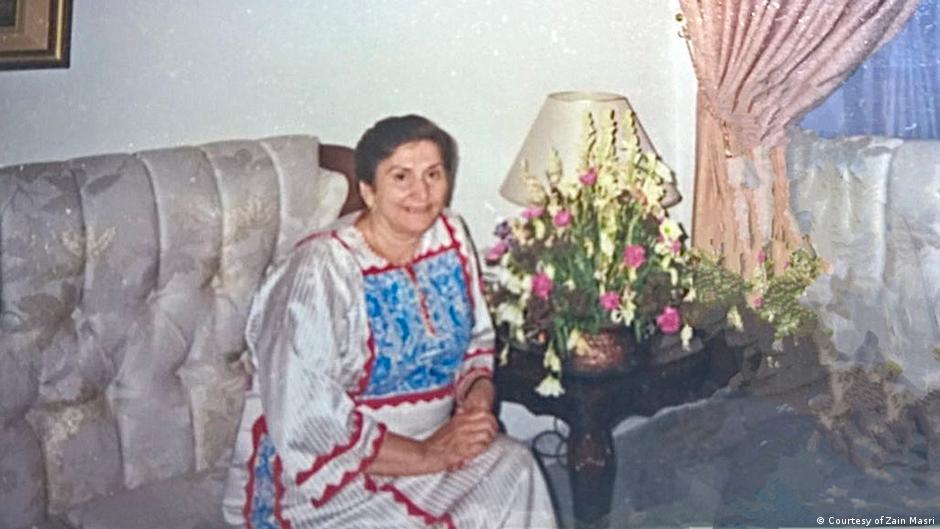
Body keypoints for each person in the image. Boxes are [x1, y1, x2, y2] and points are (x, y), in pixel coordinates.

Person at [222, 115, 559, 529]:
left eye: (434, 174)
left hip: (434, 448)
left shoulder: (450, 235)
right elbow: (307, 420)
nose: (422, 193)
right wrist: (428, 456)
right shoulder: (320, 271)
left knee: (516, 467)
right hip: (332, 476)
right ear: (368, 190)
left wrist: (474, 409)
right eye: (401, 177)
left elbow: (476, 342)